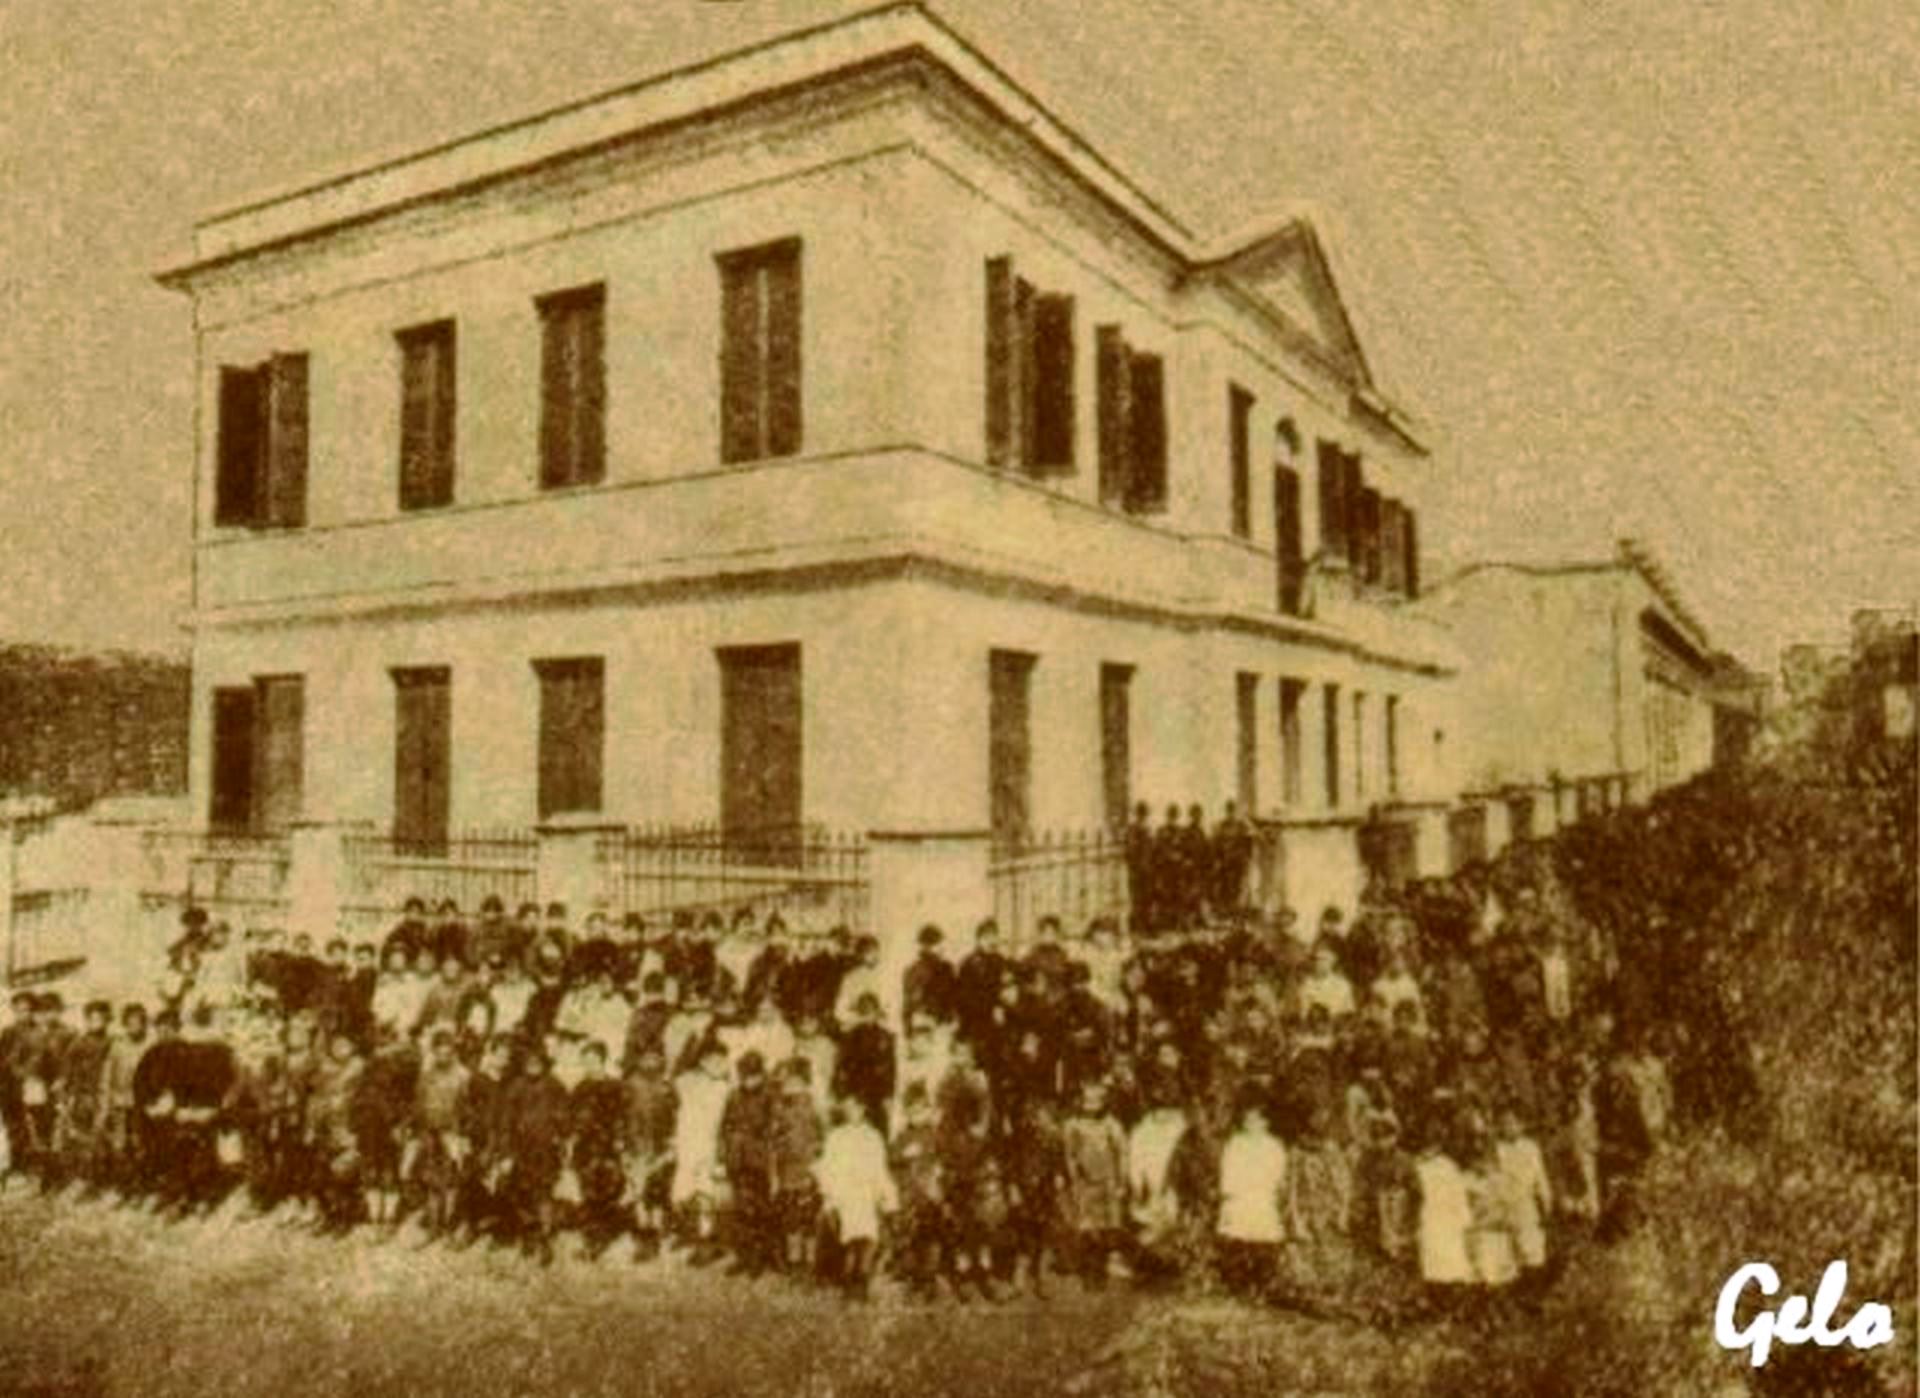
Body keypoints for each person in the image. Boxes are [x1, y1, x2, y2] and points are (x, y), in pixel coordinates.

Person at [815, 1096, 898, 1301]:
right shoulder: (836, 1137)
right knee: (849, 1235)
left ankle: (861, 1279)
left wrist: (887, 1198)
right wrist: (829, 1196)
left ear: (863, 1110)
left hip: (866, 1193)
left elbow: (879, 1170)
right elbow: (827, 1168)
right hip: (844, 1193)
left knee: (868, 1234)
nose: (852, 1112)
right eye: (848, 1108)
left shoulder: (873, 1137)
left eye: (856, 1108)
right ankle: (849, 1280)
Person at [501, 1038, 570, 1264]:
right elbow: (506, 1121)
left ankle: (545, 1237)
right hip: (521, 1149)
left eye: (537, 1062)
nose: (533, 1065)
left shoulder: (555, 1085)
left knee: (544, 1193)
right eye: (529, 1062)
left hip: (545, 1149)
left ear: (544, 1063)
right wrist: (506, 1152)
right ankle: (529, 1234)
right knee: (521, 1193)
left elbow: (565, 1117)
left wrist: (560, 1136)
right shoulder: (516, 1086)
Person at [1215, 1092, 1287, 1301]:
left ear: (1266, 1123)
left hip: (1262, 1197)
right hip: (1240, 1197)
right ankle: (1239, 1286)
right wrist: (1229, 1195)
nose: (1252, 1124)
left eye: (1257, 1120)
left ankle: (1262, 1286)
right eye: (1248, 1120)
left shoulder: (1274, 1146)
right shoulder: (1235, 1143)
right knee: (1238, 1241)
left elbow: (1278, 1173)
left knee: (1264, 1241)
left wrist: (1271, 1190)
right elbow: (1227, 1170)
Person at [1061, 1077, 1128, 1289]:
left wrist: (1121, 1181)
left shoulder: (1111, 1125)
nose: (1091, 1109)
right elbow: (1070, 1155)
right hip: (1085, 1182)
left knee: (1108, 1226)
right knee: (1087, 1227)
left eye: (1096, 1103)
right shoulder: (1073, 1125)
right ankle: (1089, 1272)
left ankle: (1104, 1268)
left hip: (1108, 1180)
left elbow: (1122, 1153)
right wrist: (1074, 1177)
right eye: (1087, 1103)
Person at [718, 1051, 779, 1276]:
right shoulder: (734, 1096)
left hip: (758, 1160)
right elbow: (725, 1126)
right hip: (737, 1159)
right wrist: (724, 1154)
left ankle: (759, 1257)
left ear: (761, 1074)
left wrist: (758, 1143)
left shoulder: (770, 1096)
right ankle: (744, 1256)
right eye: (744, 1075)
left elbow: (773, 1129)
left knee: (760, 1209)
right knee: (741, 1209)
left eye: (753, 1075)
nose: (748, 1080)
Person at [567, 1040, 630, 1258]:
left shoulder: (615, 1087)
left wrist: (620, 1141)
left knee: (607, 1191)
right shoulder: (580, 1088)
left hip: (608, 1149)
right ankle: (591, 1239)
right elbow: (572, 1118)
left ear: (603, 1061)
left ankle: (601, 1237)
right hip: (585, 1150)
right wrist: (572, 1141)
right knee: (588, 1192)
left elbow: (623, 1116)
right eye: (585, 1061)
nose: (589, 1066)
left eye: (593, 1061)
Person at [768, 1057, 823, 1275]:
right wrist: (775, 1170)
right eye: (787, 1083)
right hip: (787, 1171)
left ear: (805, 1083)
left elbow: (823, 1139)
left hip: (810, 1171)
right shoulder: (779, 1109)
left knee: (809, 1218)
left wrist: (817, 1165)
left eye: (795, 1082)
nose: (789, 1087)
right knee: (791, 1218)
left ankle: (810, 1261)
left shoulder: (815, 1109)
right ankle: (794, 1260)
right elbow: (773, 1141)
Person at [902, 925, 957, 1028]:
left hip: (944, 1023)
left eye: (941, 943)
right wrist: (909, 1027)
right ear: (926, 947)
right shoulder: (915, 970)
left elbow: (954, 997)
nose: (942, 948)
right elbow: (910, 1002)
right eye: (938, 944)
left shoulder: (947, 968)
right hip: (925, 1022)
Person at [1211, 801, 1255, 924]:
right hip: (1225, 864)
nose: (1230, 812)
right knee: (1225, 888)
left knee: (1237, 888)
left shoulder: (1241, 826)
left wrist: (1246, 858)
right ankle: (1227, 914)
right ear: (1226, 811)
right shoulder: (1221, 826)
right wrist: (1217, 860)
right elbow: (1216, 844)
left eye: (1232, 810)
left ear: (1235, 811)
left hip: (1237, 864)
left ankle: (1236, 914)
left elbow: (1249, 842)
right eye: (1228, 810)